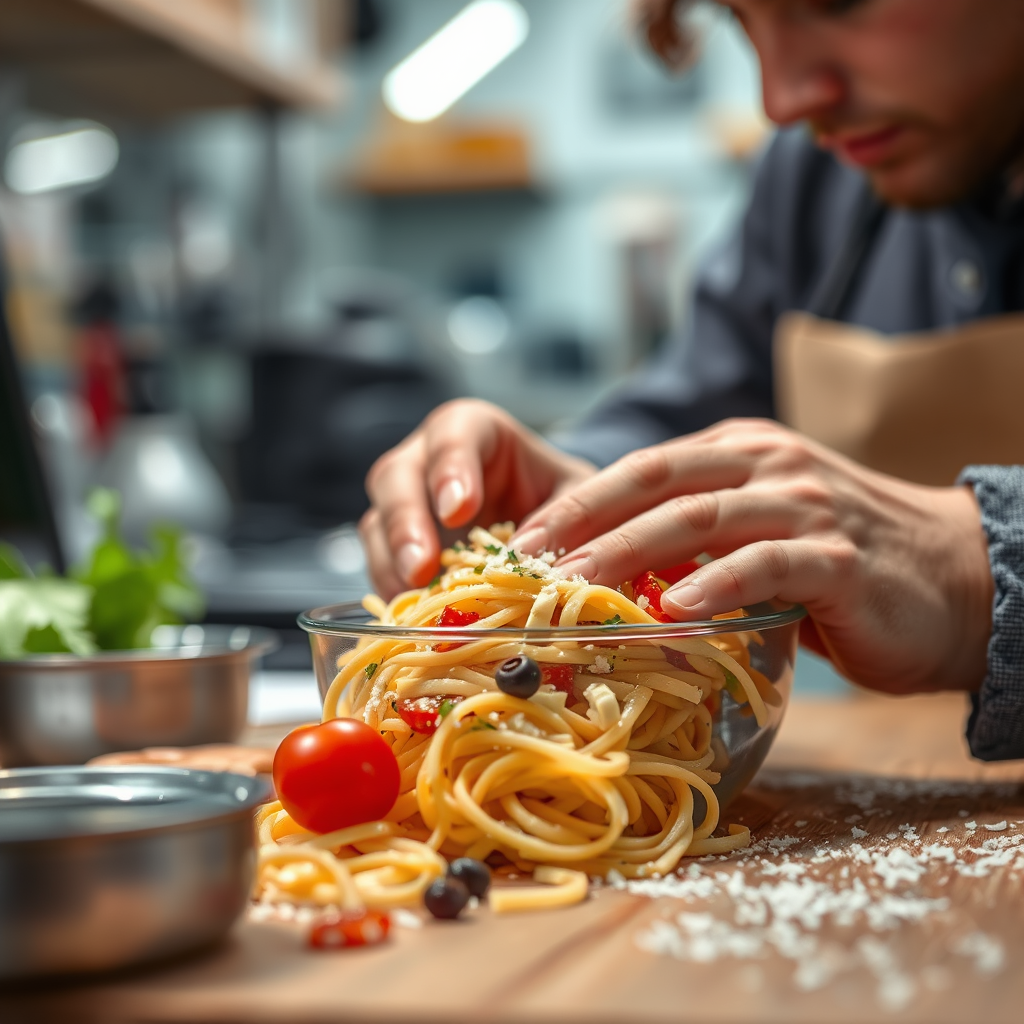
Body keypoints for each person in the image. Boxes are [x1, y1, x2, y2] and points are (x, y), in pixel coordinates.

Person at [360, 0, 1024, 761]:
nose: (782, 99)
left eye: (837, 3)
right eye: (741, 23)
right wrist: (572, 493)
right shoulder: (815, 178)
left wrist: (982, 573)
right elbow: (694, 407)